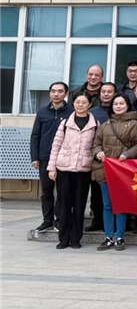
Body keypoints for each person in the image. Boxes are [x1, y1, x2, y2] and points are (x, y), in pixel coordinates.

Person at [91, 94, 137, 252]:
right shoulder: (105, 125)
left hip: (123, 172)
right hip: (106, 170)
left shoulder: (134, 124)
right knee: (107, 205)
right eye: (116, 104)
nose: (118, 106)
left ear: (127, 106)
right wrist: (98, 152)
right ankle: (108, 237)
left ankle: (120, 236)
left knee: (121, 204)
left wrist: (128, 154)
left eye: (122, 103)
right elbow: (96, 143)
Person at [47, 92, 98, 249]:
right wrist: (51, 167)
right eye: (77, 102)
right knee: (64, 205)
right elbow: (56, 145)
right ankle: (63, 239)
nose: (80, 105)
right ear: (73, 103)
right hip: (64, 168)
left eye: (84, 102)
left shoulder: (95, 124)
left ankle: (76, 238)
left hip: (84, 169)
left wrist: (95, 169)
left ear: (90, 105)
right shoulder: (65, 123)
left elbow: (96, 147)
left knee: (79, 205)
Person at [30, 82, 72, 233]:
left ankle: (60, 219)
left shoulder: (71, 112)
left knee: (62, 191)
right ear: (49, 93)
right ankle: (47, 220)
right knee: (46, 191)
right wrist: (35, 157)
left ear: (66, 94)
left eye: (60, 91)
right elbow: (35, 135)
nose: (56, 94)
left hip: (64, 158)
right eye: (53, 91)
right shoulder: (42, 112)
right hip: (45, 157)